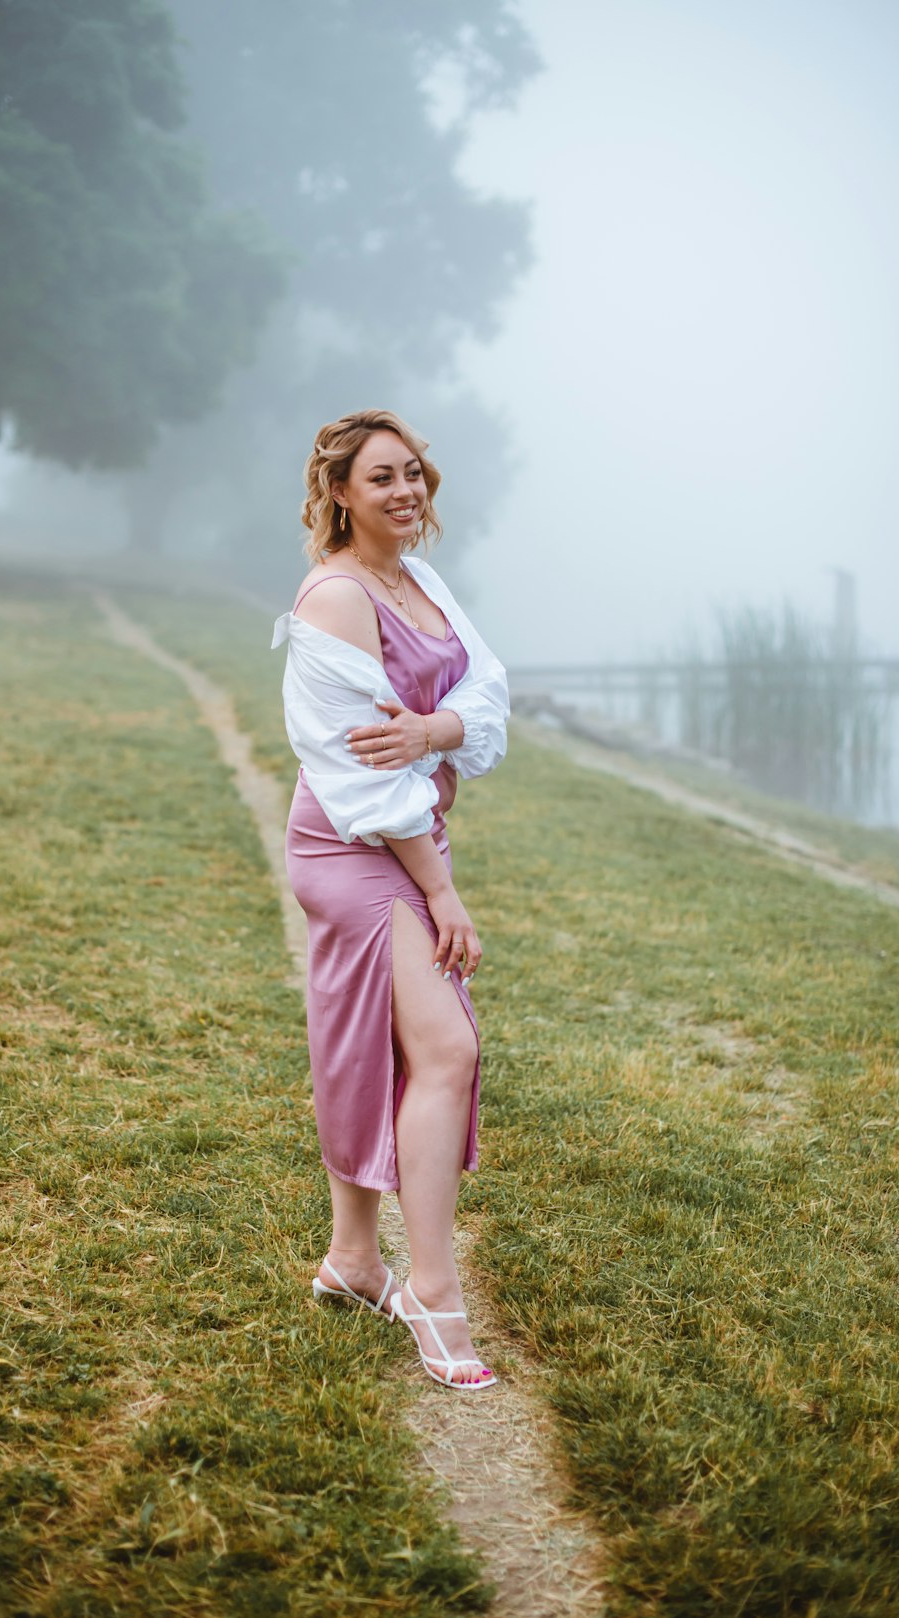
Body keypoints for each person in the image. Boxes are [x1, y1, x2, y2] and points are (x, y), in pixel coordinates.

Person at [271, 409, 510, 1390]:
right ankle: (432, 1288)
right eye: (381, 479)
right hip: (352, 840)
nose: (407, 491)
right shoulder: (334, 600)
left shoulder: (418, 580)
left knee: (376, 1041)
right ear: (339, 495)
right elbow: (362, 772)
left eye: (414, 473)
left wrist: (434, 729)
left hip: (407, 833)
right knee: (448, 1047)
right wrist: (442, 889)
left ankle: (353, 1261)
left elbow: (490, 699)